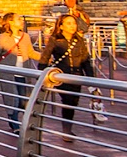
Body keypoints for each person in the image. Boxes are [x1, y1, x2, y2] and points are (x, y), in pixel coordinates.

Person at [39, 13, 96, 141]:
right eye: (69, 23)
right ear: (61, 26)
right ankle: (66, 131)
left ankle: (68, 128)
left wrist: (91, 78)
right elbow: (45, 57)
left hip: (77, 76)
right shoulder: (55, 40)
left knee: (73, 102)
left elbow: (85, 60)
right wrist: (41, 74)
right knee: (68, 100)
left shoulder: (79, 40)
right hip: (62, 76)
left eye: (74, 23)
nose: (72, 26)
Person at [0, 13, 37, 131]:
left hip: (24, 73)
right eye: (18, 19)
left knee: (23, 99)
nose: (21, 21)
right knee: (13, 98)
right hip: (8, 73)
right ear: (10, 22)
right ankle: (14, 122)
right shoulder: (1, 38)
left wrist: (45, 57)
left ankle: (15, 118)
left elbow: (31, 53)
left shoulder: (25, 36)